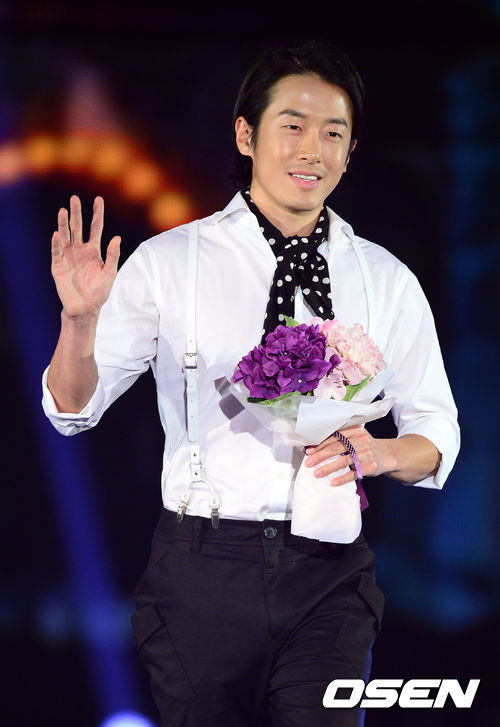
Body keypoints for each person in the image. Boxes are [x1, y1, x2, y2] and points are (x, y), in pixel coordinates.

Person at [42, 40, 459, 727]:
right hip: (203, 564)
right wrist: (79, 323)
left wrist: (382, 453)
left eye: (334, 133)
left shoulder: (385, 278)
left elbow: (437, 430)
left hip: (329, 568)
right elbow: (73, 407)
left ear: (351, 151)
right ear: (246, 134)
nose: (312, 149)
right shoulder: (172, 261)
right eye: (293, 125)